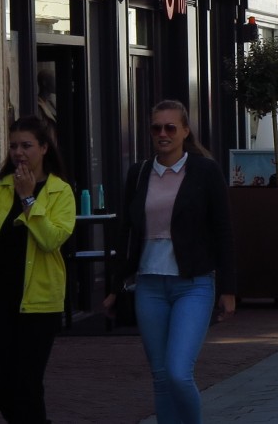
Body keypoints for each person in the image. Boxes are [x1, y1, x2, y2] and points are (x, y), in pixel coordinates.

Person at [105, 100, 236, 424]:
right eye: (156, 128)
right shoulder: (139, 173)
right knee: (161, 377)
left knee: (178, 372)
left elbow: (224, 230)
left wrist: (229, 289)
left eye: (170, 127)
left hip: (193, 284)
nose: (162, 134)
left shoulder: (205, 171)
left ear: (185, 131)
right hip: (149, 285)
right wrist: (114, 286)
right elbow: (126, 233)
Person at [0, 116, 76, 424]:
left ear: (44, 148)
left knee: (27, 384)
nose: (19, 153)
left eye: (27, 146)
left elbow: (51, 240)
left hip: (39, 303)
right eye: (13, 146)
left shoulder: (60, 191)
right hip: (0, 300)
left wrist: (28, 198)